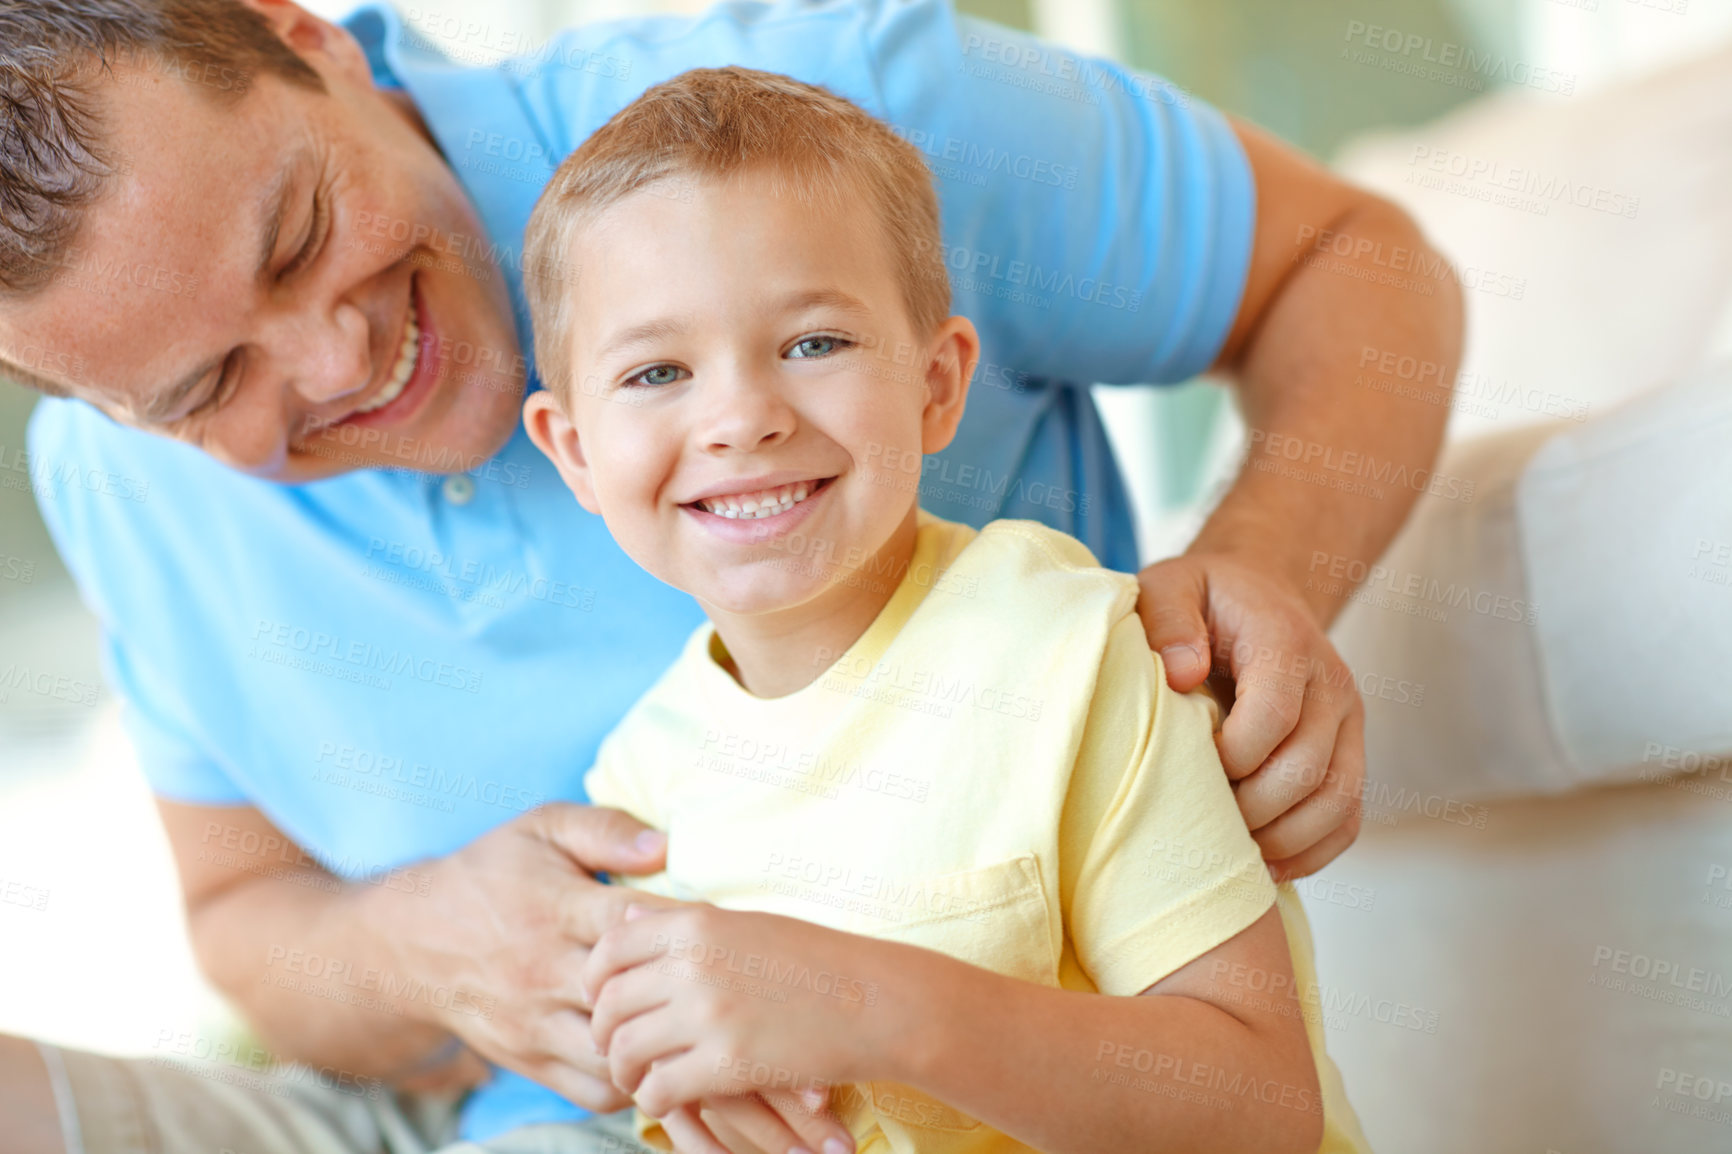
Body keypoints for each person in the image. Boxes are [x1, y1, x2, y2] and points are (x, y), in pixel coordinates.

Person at [0, 1, 1458, 1151]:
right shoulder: (117, 487)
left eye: (303, 232)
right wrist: (416, 948)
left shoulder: (829, 130)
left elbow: (1351, 257)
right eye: (208, 389)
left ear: (301, 34)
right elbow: (245, 917)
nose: (336, 361)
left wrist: (1258, 575)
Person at [519, 65, 1369, 1154]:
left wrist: (868, 1004)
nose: (739, 416)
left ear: (936, 386)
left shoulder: (1075, 656)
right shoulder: (643, 778)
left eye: (812, 342)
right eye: (656, 371)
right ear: (576, 452)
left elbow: (1260, 1108)